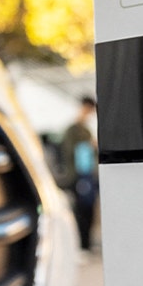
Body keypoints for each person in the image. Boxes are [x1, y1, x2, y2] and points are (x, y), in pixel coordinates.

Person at [60, 96, 98, 251]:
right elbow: (68, 153)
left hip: (88, 176)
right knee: (81, 211)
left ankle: (86, 243)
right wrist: (87, 147)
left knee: (89, 210)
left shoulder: (86, 130)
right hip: (78, 177)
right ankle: (81, 245)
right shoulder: (72, 130)